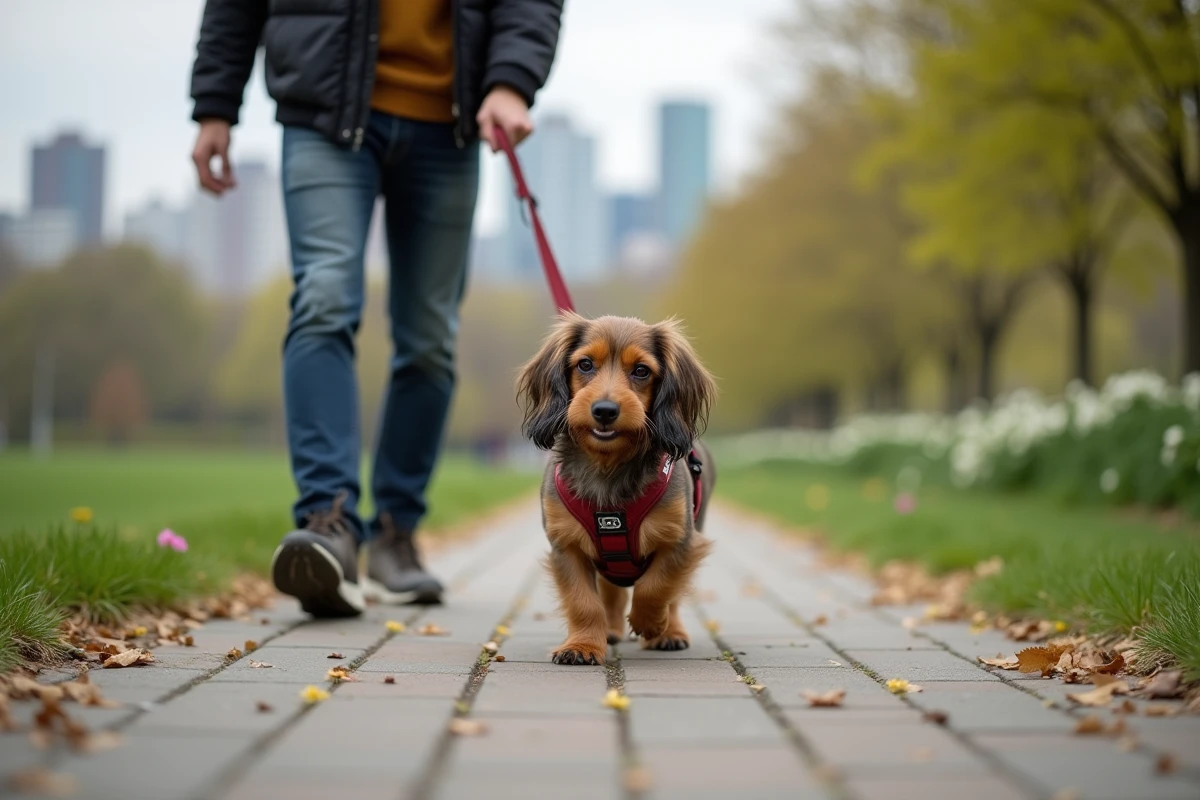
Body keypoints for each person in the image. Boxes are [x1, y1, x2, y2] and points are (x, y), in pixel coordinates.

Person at [189, 0, 564, 616]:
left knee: (430, 337)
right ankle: (329, 523)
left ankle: (395, 535)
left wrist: (510, 80)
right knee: (323, 300)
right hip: (323, 107)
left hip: (449, 119)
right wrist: (214, 102)